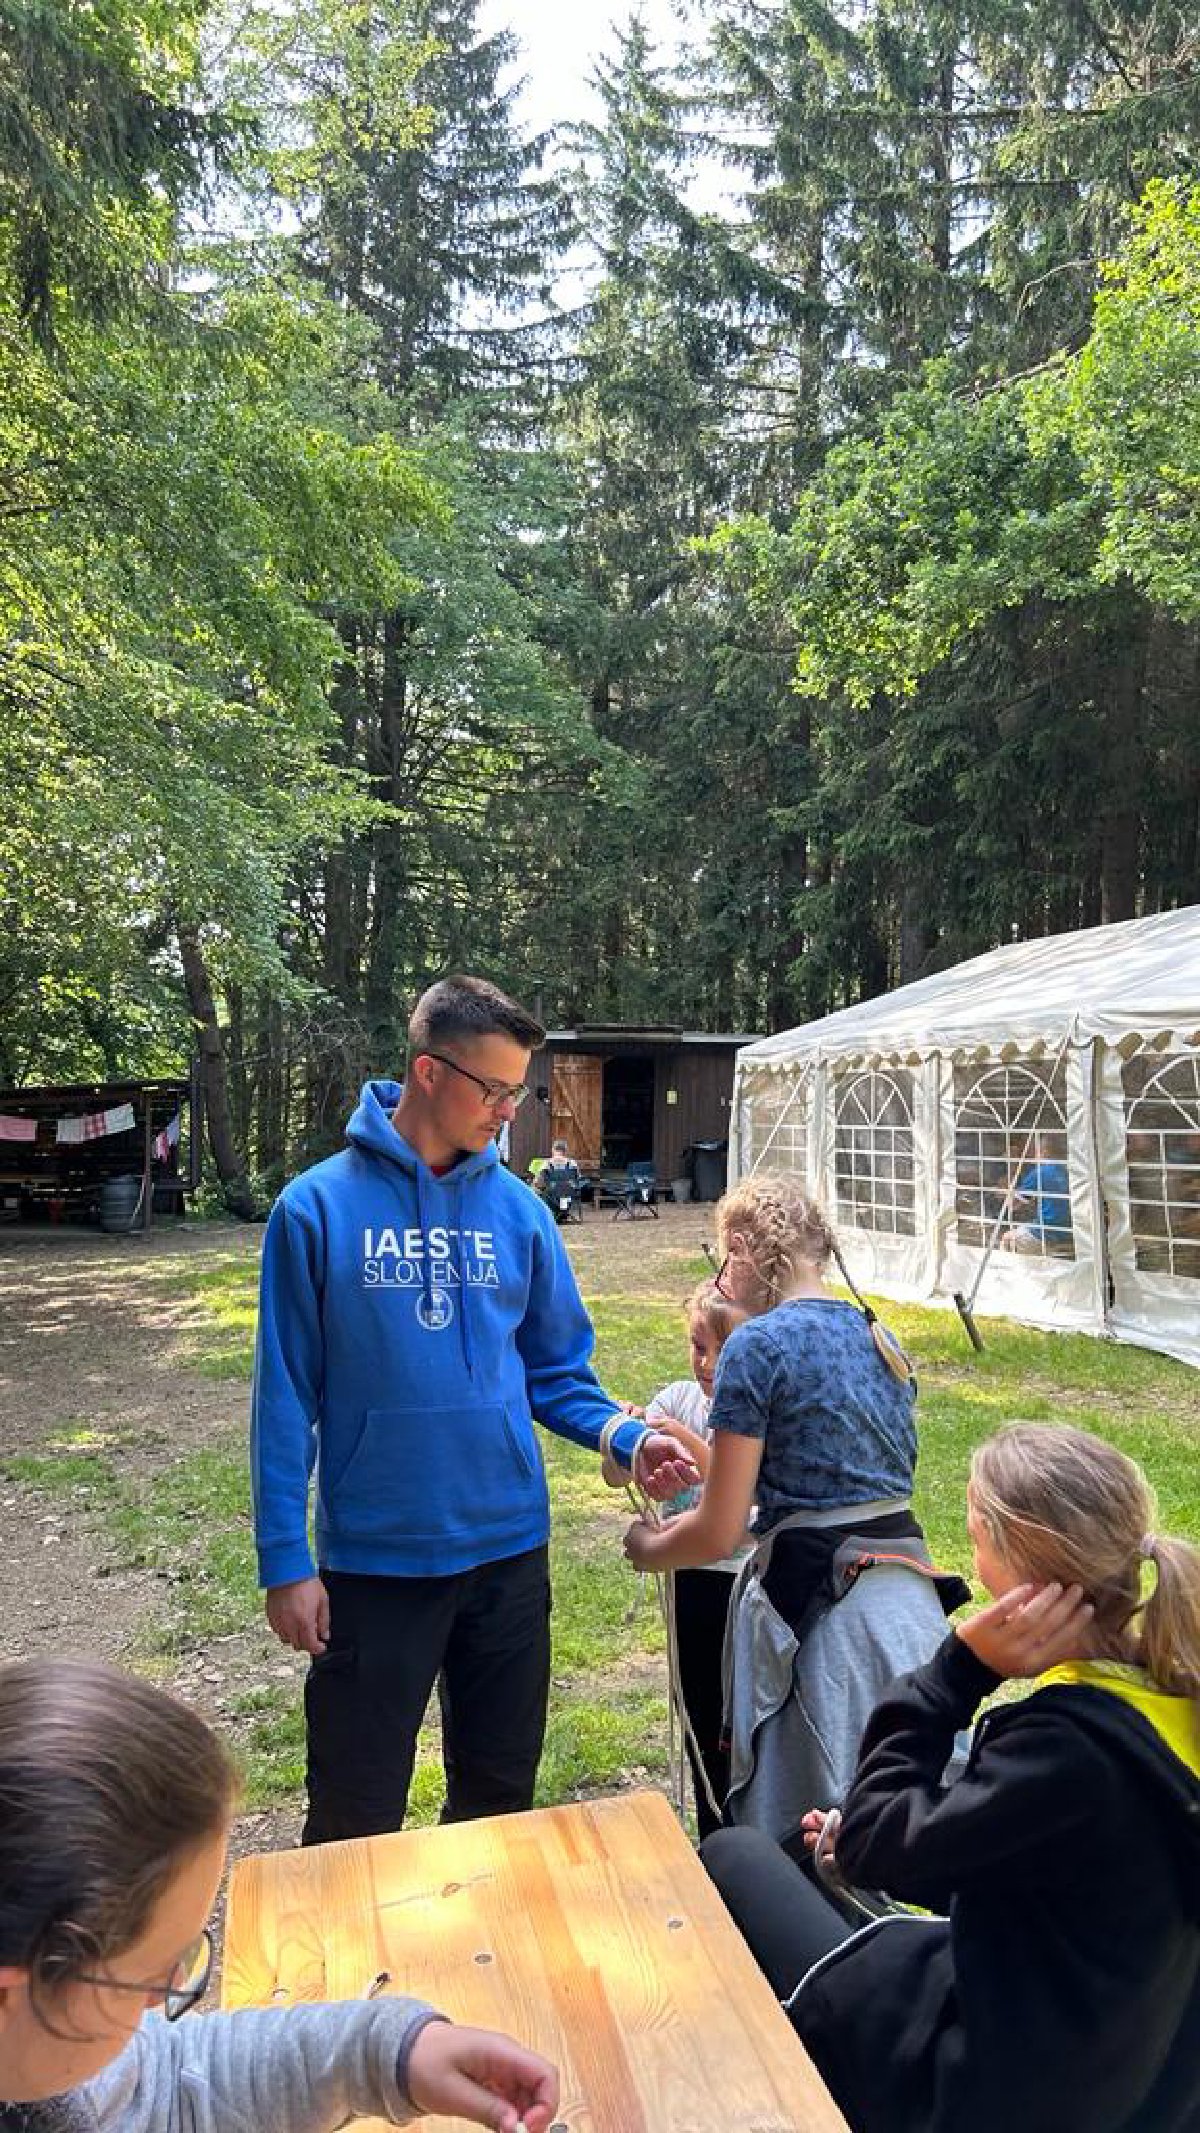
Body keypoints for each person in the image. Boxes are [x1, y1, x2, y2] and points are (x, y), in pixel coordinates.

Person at [252, 974, 697, 1844]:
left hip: (507, 1555)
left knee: (498, 1807)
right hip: (375, 1562)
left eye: (517, 1091)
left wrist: (628, 1435)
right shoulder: (315, 1209)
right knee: (353, 1815)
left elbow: (556, 1371)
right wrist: (284, 1561)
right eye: (494, 1089)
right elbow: (284, 1398)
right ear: (429, 1071)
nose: (508, 1111)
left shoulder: (521, 1214)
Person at [703, 1421, 1200, 2133]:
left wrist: (956, 1673)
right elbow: (1067, 1872)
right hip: (1135, 2078)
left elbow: (872, 1842)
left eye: (976, 1541)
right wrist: (897, 1841)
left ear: (1016, 1569)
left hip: (994, 2097)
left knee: (732, 1854)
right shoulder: (1171, 1702)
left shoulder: (1065, 1748)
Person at [0, 1656, 558, 2133]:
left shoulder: (49, 2063)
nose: (171, 1990)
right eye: (152, 1978)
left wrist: (386, 2054)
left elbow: (165, 2080)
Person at [623, 1174, 963, 1844]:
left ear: (745, 1251)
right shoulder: (881, 1336)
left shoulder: (757, 1345)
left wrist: (649, 1547)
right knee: (898, 1798)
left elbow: (720, 1528)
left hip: (821, 1615)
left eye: (725, 1260)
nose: (720, 1280)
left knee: (809, 1821)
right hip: (906, 1601)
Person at [643, 1281, 751, 1837]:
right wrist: (631, 1443)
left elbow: (736, 1487)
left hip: (744, 1584)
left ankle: (750, 1831)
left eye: (721, 1350)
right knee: (700, 1709)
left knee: (742, 1716)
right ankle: (714, 1834)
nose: (705, 1364)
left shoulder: (754, 1413)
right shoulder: (677, 1398)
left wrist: (684, 1439)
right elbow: (616, 1472)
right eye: (697, 1346)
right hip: (691, 1580)